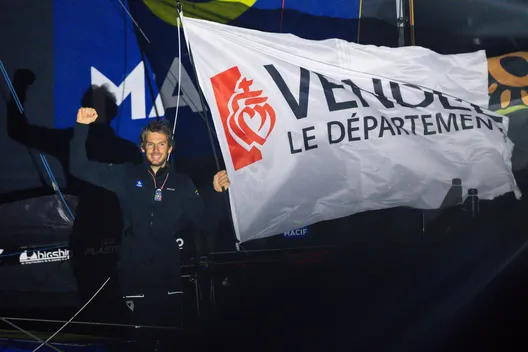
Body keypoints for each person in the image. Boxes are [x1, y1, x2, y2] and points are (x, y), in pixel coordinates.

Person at [70, 107, 230, 349]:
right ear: (142, 148)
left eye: (161, 144)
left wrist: (217, 194)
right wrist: (81, 127)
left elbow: (206, 224)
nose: (156, 150)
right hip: (135, 277)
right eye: (151, 144)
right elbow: (79, 168)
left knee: (172, 342)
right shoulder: (125, 175)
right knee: (140, 343)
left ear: (170, 148)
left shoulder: (183, 184)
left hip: (169, 279)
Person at [6, 70, 143, 320]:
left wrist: (20, 87)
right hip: (117, 230)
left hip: (93, 230)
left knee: (97, 298)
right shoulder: (127, 149)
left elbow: (18, 130)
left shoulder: (69, 141)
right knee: (117, 297)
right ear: (113, 113)